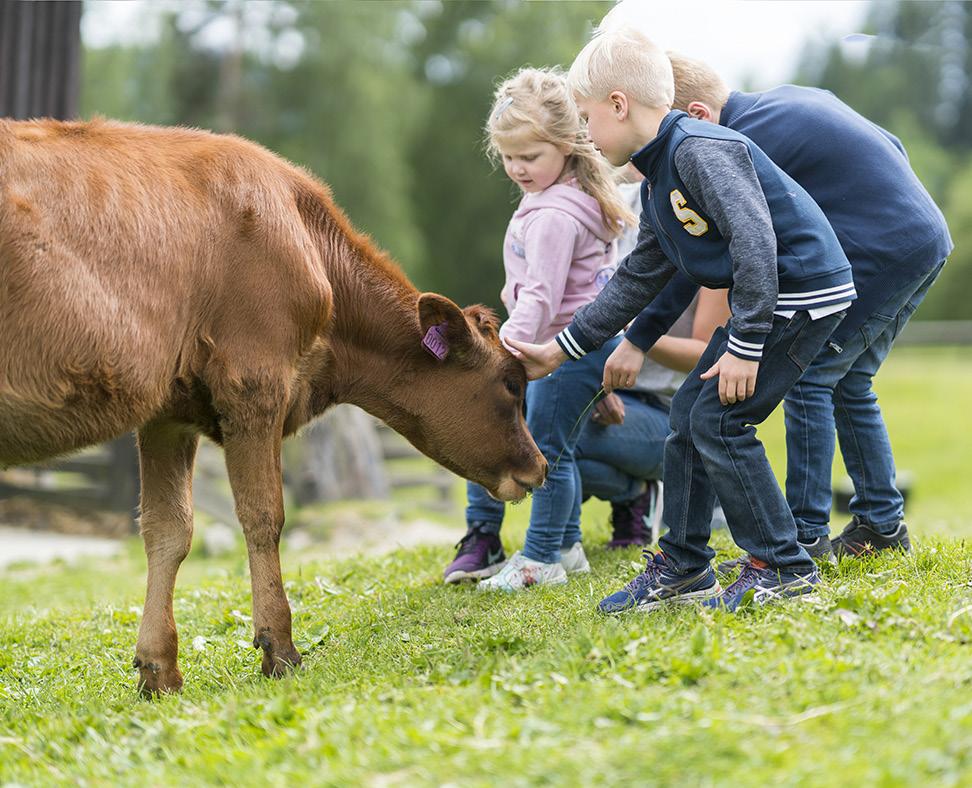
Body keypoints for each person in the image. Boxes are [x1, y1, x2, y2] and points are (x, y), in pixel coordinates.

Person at [509, 28, 857, 613]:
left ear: (618, 105)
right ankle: (684, 566)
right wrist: (560, 350)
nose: (586, 138)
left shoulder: (699, 149)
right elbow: (642, 277)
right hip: (772, 298)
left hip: (800, 295)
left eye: (588, 120)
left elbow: (754, 241)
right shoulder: (660, 176)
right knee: (689, 417)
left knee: (720, 422)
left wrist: (744, 344)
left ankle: (782, 566)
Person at [641, 53, 951, 564]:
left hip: (880, 250)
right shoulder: (782, 103)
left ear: (696, 116)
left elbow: (737, 247)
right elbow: (888, 147)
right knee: (849, 379)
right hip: (921, 235)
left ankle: (807, 533)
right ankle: (881, 521)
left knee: (809, 375)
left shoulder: (733, 146)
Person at [443, 66, 634, 591]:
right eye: (508, 157)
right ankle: (567, 545)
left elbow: (543, 297)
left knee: (545, 450)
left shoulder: (554, 214)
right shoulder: (562, 196)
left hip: (559, 344)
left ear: (567, 146)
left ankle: (541, 557)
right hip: (581, 342)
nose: (518, 169)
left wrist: (503, 352)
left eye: (530, 157)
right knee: (558, 447)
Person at [574, 172, 731, 547]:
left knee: (564, 434)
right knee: (542, 421)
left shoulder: (710, 245)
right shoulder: (617, 215)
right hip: (606, 393)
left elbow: (707, 356)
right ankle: (634, 493)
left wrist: (637, 334)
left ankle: (564, 539)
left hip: (665, 411)